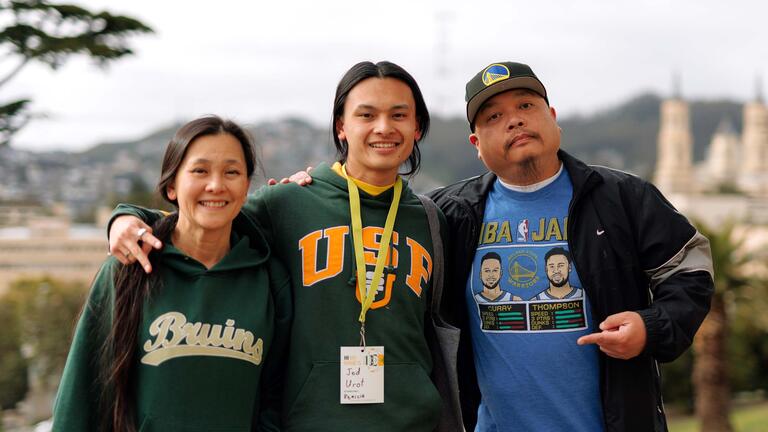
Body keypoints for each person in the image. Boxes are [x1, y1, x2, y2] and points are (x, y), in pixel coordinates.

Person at [106, 61, 463, 431]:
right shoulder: (288, 203)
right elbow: (202, 216)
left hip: (412, 422)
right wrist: (126, 217)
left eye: (399, 115)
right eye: (366, 115)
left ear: (417, 127)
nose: (384, 128)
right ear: (342, 126)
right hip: (311, 421)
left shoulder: (429, 219)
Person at [428, 61, 715, 431]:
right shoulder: (448, 215)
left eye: (526, 106)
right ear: (477, 145)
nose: (514, 120)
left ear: (552, 117)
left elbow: (689, 269)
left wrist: (650, 327)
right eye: (494, 116)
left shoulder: (623, 198)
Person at [53, 116, 292, 431]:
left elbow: (275, 403)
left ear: (247, 187)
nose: (216, 185)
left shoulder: (270, 279)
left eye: (232, 172)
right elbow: (80, 396)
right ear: (171, 186)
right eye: (200, 171)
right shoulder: (129, 269)